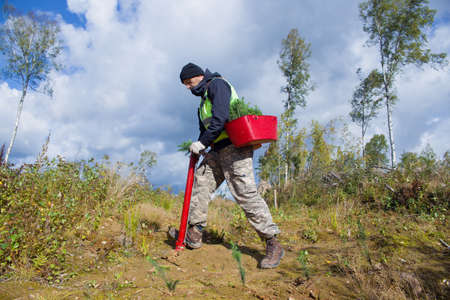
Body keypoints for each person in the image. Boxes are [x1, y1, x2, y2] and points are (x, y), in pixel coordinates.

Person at [178, 62, 284, 269]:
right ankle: (194, 231)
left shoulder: (218, 85)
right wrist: (200, 146)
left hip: (236, 147)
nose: (188, 87)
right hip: (217, 150)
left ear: (199, 76)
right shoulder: (202, 103)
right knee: (202, 181)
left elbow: (220, 119)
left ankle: (272, 242)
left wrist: (202, 143)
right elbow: (205, 130)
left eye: (189, 82)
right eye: (185, 85)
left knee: (244, 193)